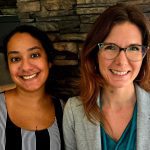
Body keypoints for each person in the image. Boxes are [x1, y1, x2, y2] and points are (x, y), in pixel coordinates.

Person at [63, 3, 150, 150]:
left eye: (133, 48)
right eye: (110, 47)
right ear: (94, 54)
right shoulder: (74, 110)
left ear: (144, 55)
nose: (121, 61)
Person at [0, 25, 64, 150]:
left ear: (49, 60)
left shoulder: (62, 109)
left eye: (34, 55)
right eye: (15, 58)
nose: (26, 67)